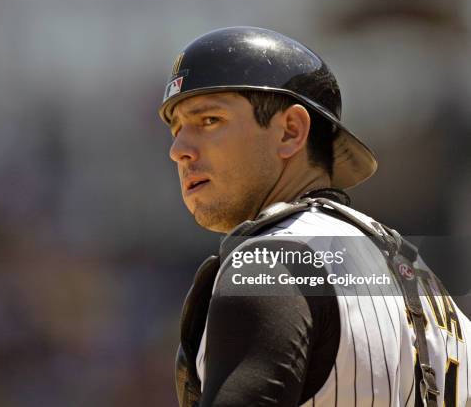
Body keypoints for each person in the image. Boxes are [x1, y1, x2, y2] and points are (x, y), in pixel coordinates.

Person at [158, 26, 471, 407]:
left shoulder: (268, 261)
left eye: (209, 120)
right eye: (176, 128)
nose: (179, 150)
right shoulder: (432, 290)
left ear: (290, 131)